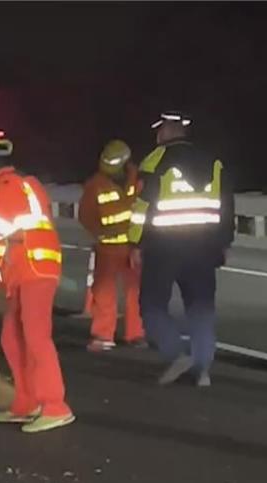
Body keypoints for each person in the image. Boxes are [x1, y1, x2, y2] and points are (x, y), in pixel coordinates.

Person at [0, 131, 75, 433]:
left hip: (36, 267)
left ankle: (55, 406)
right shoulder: (4, 190)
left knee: (35, 337)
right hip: (22, 271)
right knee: (12, 337)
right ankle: (26, 403)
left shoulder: (9, 185)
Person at [128, 111, 235, 386]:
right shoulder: (214, 162)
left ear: (165, 132)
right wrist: (224, 242)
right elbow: (226, 205)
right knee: (201, 307)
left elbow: (142, 208)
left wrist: (135, 243)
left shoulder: (155, 160)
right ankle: (202, 370)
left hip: (164, 246)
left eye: (159, 130)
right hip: (204, 246)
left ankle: (176, 353)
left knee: (151, 306)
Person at [78, 139, 145, 352]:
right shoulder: (95, 185)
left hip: (134, 245)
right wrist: (100, 232)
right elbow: (86, 215)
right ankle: (104, 335)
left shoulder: (139, 180)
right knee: (104, 292)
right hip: (108, 247)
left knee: (136, 291)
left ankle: (136, 334)